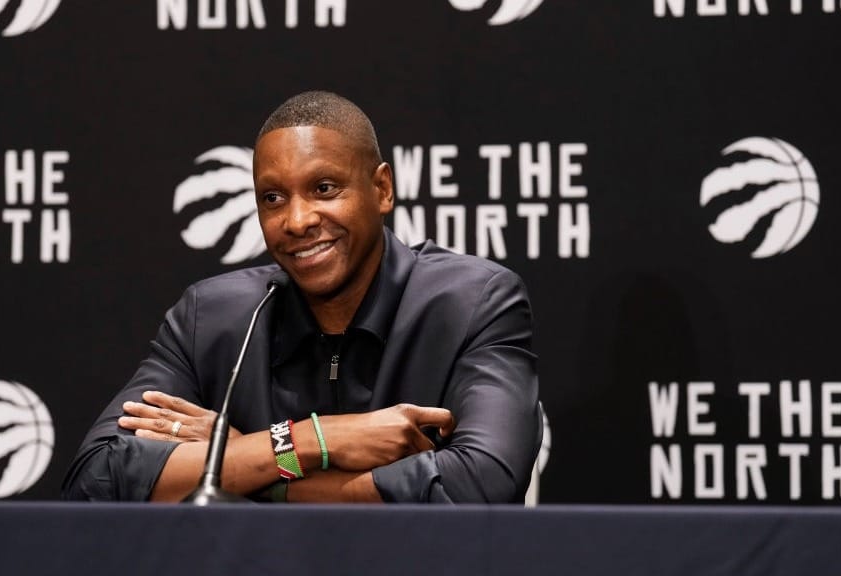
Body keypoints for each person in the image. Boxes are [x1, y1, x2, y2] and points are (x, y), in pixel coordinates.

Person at [62, 91, 540, 503]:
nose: (296, 220)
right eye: (272, 198)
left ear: (382, 189)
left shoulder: (473, 302)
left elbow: (481, 486)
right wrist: (313, 440)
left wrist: (245, 462)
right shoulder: (211, 317)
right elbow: (96, 481)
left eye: (324, 188)